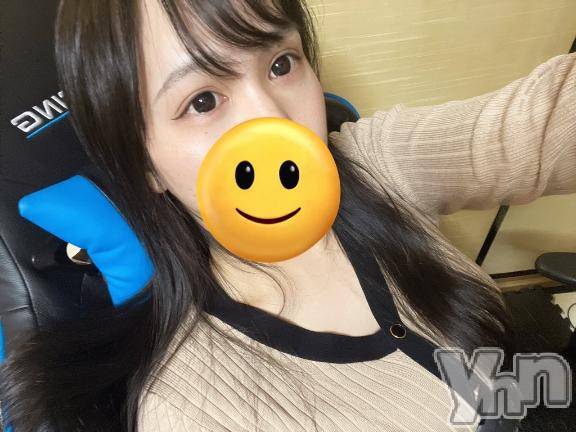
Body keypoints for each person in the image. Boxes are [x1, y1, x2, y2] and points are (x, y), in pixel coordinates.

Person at [1, 0, 575, 431]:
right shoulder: (193, 407)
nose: (274, 121)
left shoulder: (377, 162)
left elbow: (541, 123)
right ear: (143, 162)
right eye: (202, 100)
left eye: (281, 64)